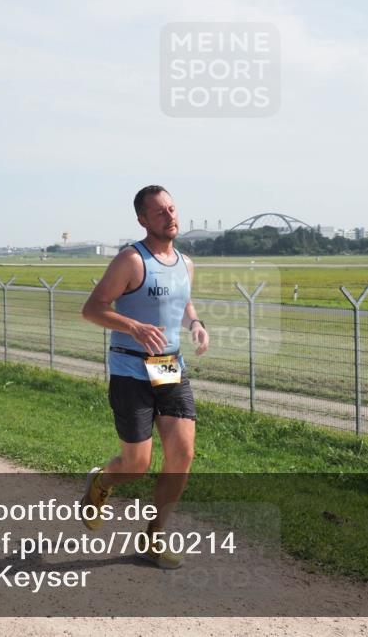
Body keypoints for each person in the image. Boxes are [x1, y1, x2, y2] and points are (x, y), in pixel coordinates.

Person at [81, 185, 209, 569]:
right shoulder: (131, 260)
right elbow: (93, 308)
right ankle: (101, 483)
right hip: (130, 367)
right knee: (136, 465)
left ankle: (154, 537)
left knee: (182, 454)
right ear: (142, 220)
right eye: (159, 212)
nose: (170, 216)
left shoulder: (186, 264)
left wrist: (196, 324)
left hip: (167, 365)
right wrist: (134, 327)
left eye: (172, 208)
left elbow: (181, 301)